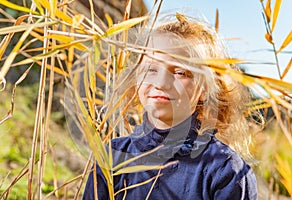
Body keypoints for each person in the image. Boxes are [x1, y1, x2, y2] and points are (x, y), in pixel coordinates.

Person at [83, 12, 258, 200]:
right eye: (151, 69)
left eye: (180, 72)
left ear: (205, 89)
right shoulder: (112, 156)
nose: (161, 82)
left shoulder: (225, 170)